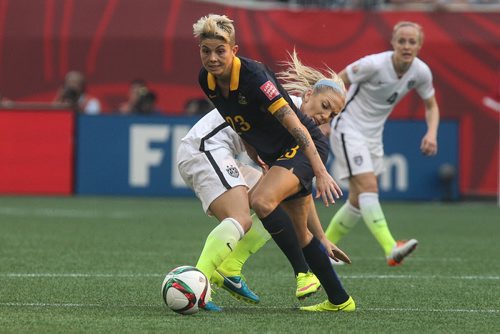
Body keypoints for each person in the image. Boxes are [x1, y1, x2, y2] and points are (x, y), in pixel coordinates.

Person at [193, 14, 355, 312]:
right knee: (301, 230)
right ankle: (341, 301)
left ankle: (304, 273)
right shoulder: (207, 79)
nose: (213, 58)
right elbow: (237, 120)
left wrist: (320, 170)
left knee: (262, 201)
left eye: (220, 50)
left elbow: (299, 129)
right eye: (206, 50)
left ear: (234, 50)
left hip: (301, 147)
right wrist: (322, 239)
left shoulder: (255, 77)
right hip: (280, 155)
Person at [325, 21, 440, 266]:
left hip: (373, 135)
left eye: (412, 42)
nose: (406, 46)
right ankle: (390, 247)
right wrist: (326, 117)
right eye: (402, 41)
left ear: (419, 46)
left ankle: (323, 250)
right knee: (369, 186)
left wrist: (431, 133)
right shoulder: (374, 64)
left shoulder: (420, 72)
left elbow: (431, 105)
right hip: (348, 127)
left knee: (358, 200)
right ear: (393, 43)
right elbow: (336, 80)